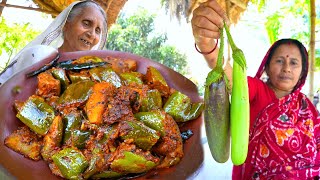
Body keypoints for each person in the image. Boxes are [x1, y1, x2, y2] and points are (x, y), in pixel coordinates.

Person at [191, 0, 320, 179]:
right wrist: (205, 43)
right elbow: (227, 74)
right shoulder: (255, 89)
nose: (286, 68)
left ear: (303, 71)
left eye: (294, 62)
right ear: (266, 67)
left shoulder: (307, 108)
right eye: (279, 60)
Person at [0, 0, 107, 85]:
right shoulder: (38, 55)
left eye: (97, 30)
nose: (92, 34)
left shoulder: (90, 77)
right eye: (86, 23)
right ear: (66, 25)